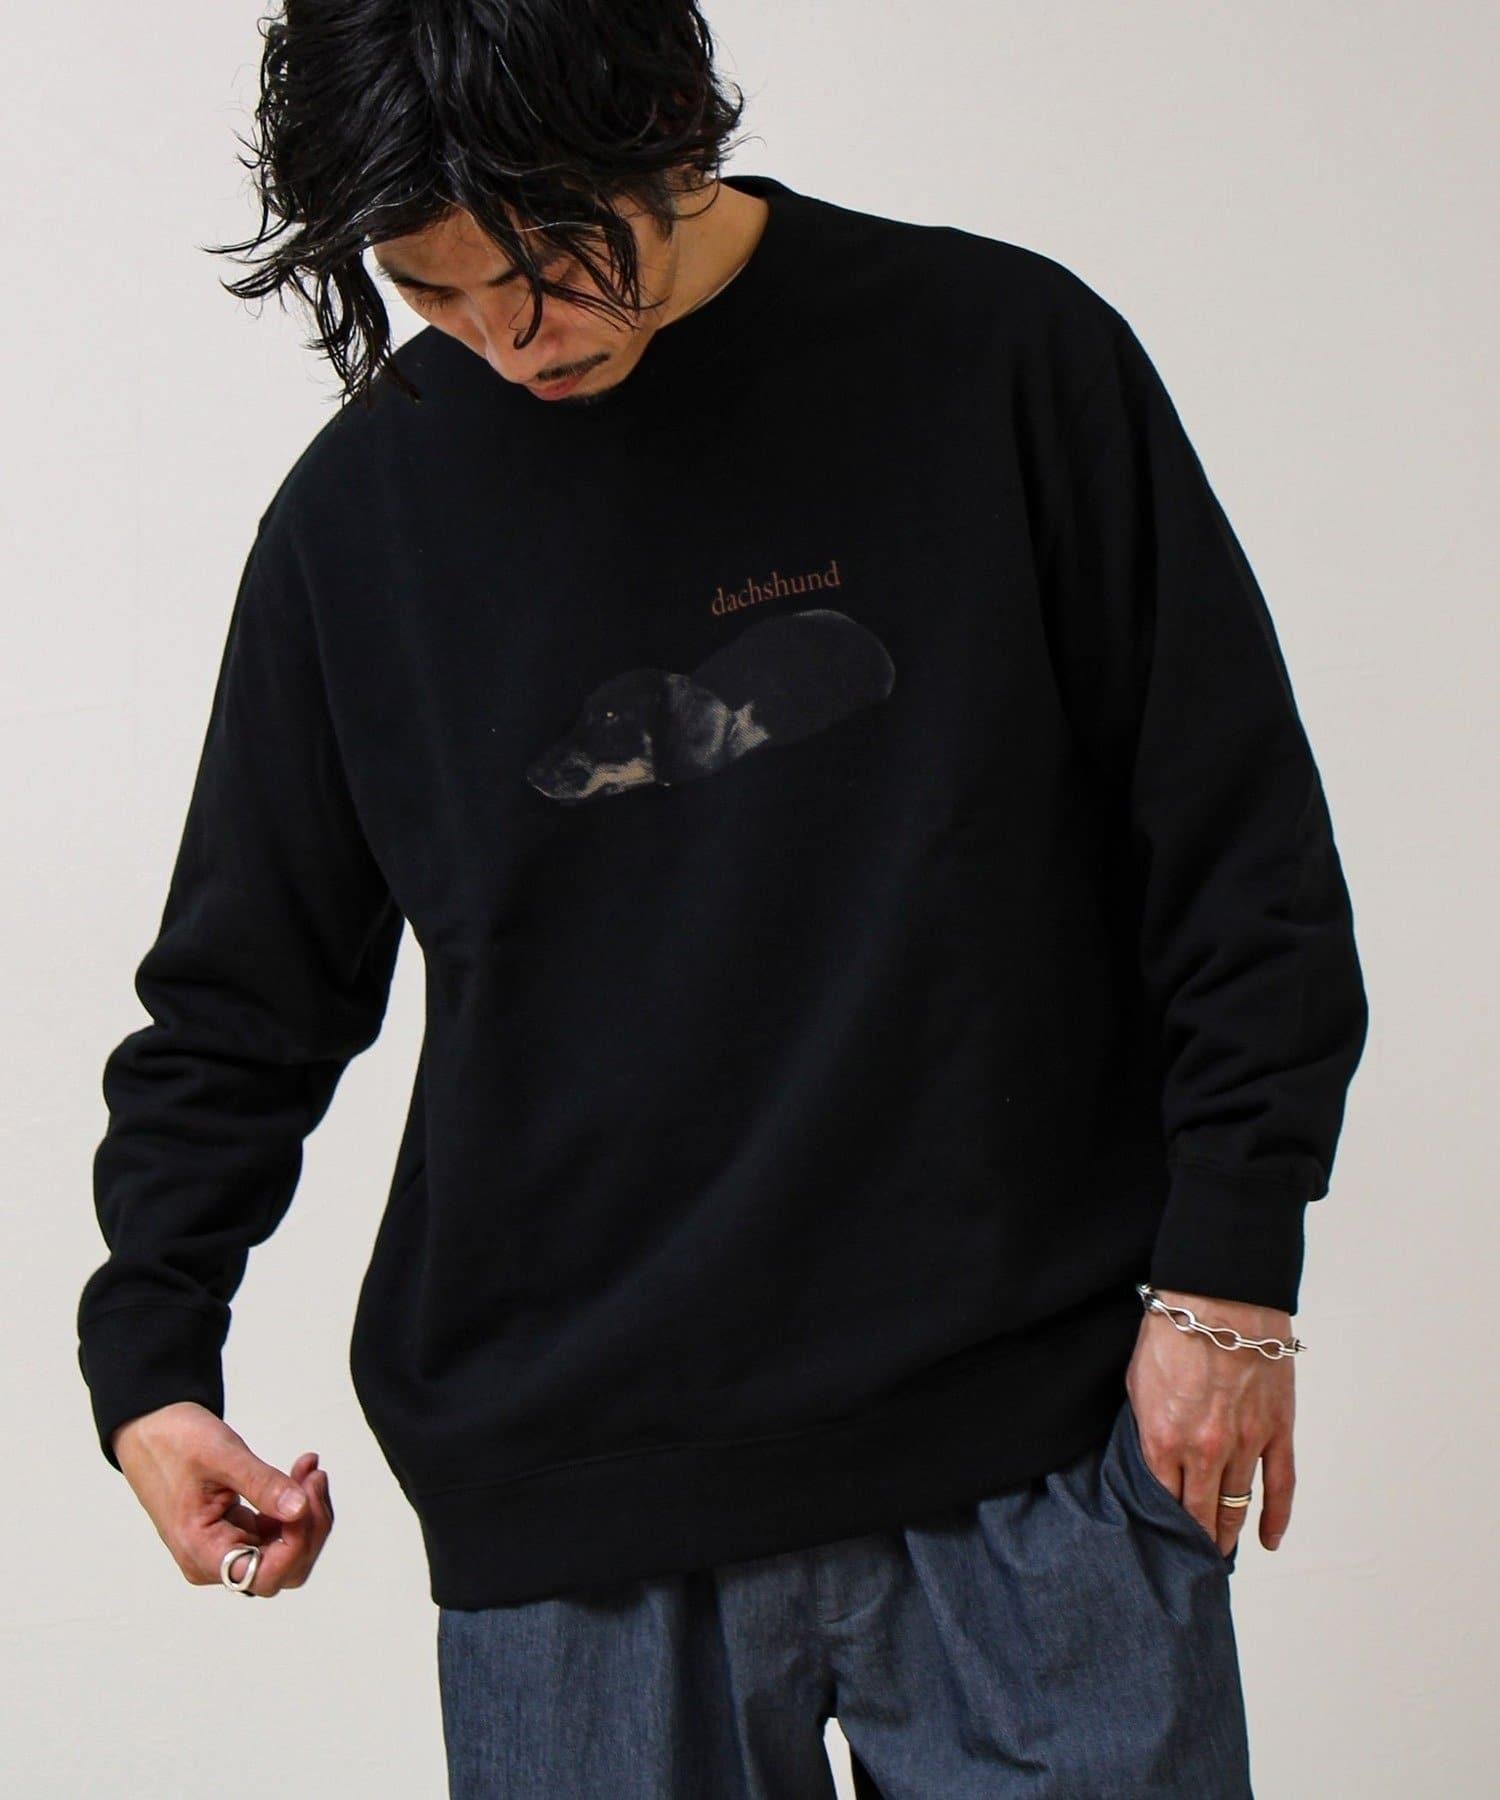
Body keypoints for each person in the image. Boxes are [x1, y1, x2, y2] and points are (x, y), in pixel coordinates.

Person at [76, 3, 1369, 1794]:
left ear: (666, 124)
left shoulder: (996, 358)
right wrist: (150, 1356)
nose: (509, 337)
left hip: (1036, 1450)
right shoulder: (357, 523)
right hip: (577, 1508)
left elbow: (1236, 842)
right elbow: (244, 992)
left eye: (544, 263)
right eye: (433, 292)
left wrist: (1231, 1282)